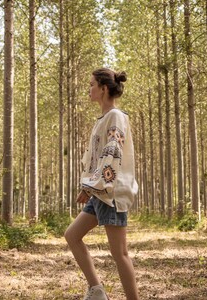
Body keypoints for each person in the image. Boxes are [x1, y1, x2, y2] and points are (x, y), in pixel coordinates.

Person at [64, 68, 139, 300]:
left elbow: (112, 152)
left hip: (111, 192)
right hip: (99, 192)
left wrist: (93, 186)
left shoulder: (116, 116)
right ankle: (97, 291)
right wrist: (89, 187)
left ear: (104, 88)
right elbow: (95, 157)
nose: (89, 89)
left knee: (120, 253)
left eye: (92, 85)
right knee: (72, 235)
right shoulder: (104, 119)